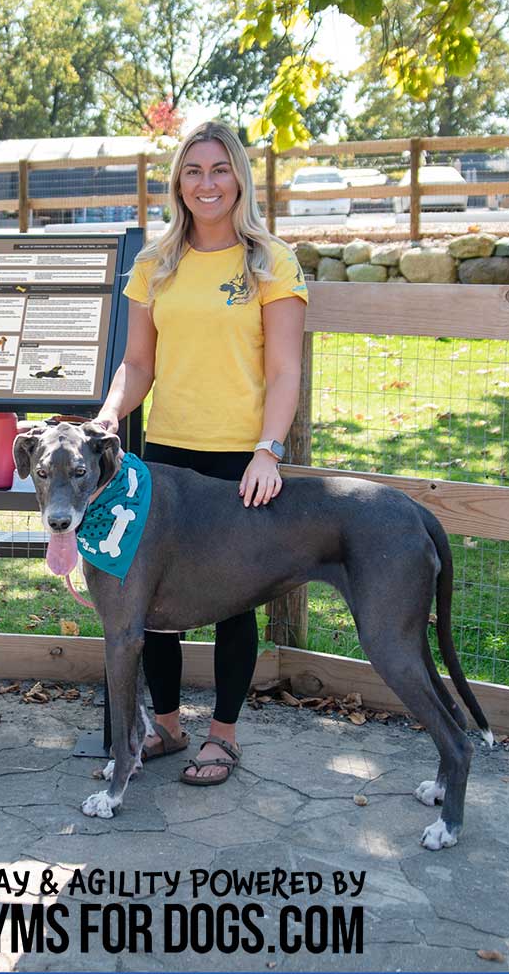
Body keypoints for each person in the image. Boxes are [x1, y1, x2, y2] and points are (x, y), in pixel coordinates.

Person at [94, 120, 309, 785]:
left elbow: (284, 372)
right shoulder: (155, 264)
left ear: (239, 177)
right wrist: (107, 415)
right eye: (193, 171)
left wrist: (268, 451)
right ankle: (164, 724)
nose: (206, 183)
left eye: (219, 170)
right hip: (162, 456)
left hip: (240, 463)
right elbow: (137, 364)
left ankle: (224, 734)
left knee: (233, 602)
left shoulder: (271, 261)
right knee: (146, 599)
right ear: (177, 182)